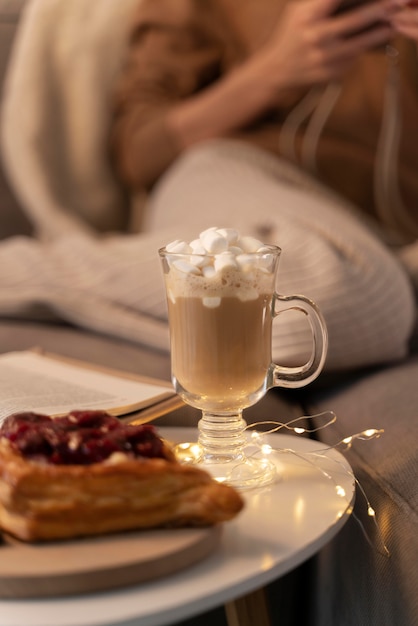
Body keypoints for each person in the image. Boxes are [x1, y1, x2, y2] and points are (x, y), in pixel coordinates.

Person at [106, 0, 418, 370]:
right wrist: (272, 72)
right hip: (240, 174)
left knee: (359, 293)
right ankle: (33, 275)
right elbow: (140, 152)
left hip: (392, 236)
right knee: (349, 295)